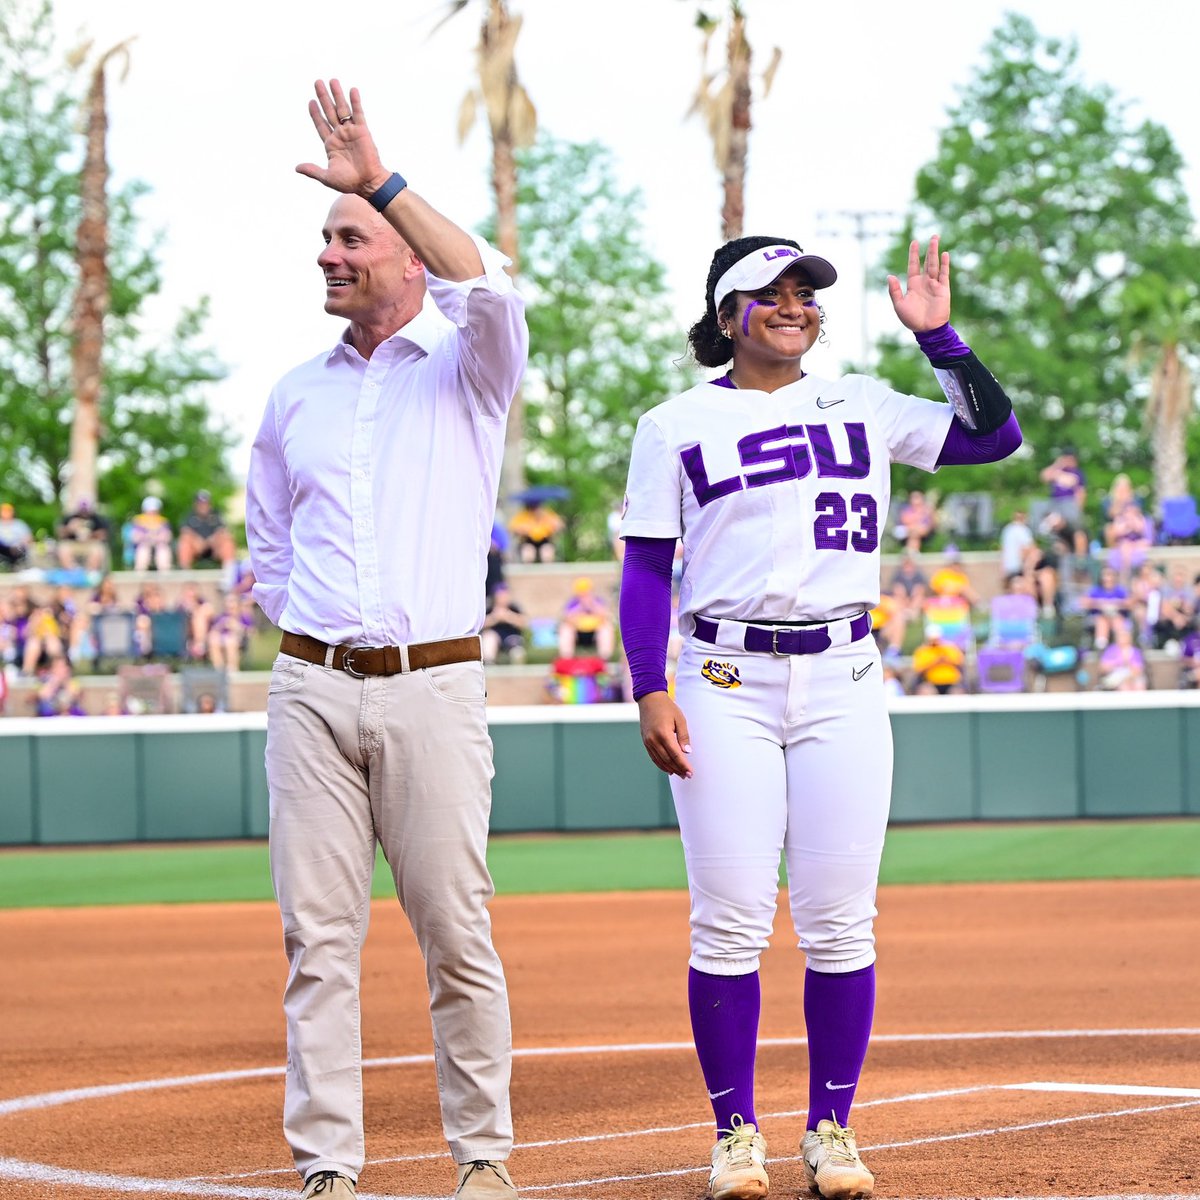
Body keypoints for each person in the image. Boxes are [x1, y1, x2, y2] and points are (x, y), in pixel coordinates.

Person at [618, 233, 1020, 1200]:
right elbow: (645, 564)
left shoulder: (861, 402)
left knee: (841, 925)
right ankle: (735, 1135)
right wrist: (648, 681)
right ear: (726, 316)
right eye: (770, 291)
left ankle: (832, 1128)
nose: (794, 304)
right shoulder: (672, 423)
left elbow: (994, 437)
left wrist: (941, 338)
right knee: (728, 925)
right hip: (722, 678)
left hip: (842, 672)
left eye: (805, 291)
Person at [245, 80, 527, 1200]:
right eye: (324, 238)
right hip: (312, 688)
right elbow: (270, 544)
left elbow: (488, 286)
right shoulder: (291, 396)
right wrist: (307, 637)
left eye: (350, 236)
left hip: (435, 688)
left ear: (406, 256)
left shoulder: (470, 369)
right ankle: (327, 1166)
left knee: (457, 934)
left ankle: (484, 1159)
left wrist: (386, 182)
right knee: (318, 943)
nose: (329, 252)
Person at [557, 576, 616, 660]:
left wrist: (591, 605)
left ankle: (605, 658)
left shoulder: (598, 601)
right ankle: (567, 658)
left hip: (594, 633)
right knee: (565, 629)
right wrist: (581, 607)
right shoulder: (573, 603)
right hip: (578, 633)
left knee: (606, 628)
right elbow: (567, 618)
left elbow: (605, 615)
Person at [177, 490, 237, 571]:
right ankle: (185, 571)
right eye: (200, 504)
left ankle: (229, 571)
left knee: (227, 539)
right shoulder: (190, 516)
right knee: (185, 541)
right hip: (196, 548)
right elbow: (185, 530)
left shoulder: (216, 515)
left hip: (214, 548)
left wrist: (210, 541)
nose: (203, 506)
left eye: (205, 503)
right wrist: (197, 540)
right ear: (196, 504)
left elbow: (223, 529)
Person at [55, 497, 111, 573]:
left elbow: (104, 534)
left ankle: (90, 574)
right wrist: (70, 529)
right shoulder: (71, 518)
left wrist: (90, 534)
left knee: (97, 550)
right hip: (73, 544)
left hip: (91, 543)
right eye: (82, 510)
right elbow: (60, 533)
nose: (84, 513)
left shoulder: (97, 519)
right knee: (63, 549)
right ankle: (72, 573)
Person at [910, 622, 967, 695]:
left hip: (952, 683)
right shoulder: (922, 651)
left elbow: (960, 664)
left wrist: (946, 661)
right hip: (931, 683)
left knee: (958, 694)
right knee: (925, 693)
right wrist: (935, 663)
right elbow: (919, 670)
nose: (934, 641)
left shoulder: (951, 648)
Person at [480, 581, 526, 664]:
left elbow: (524, 623)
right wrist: (494, 618)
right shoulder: (489, 609)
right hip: (495, 638)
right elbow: (481, 625)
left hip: (511, 638)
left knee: (517, 652)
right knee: (489, 640)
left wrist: (509, 617)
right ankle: (489, 664)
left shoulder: (514, 608)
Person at [508, 498, 564, 562]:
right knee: (528, 552)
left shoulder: (547, 514)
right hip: (528, 541)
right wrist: (524, 530)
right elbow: (513, 528)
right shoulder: (523, 516)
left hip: (545, 541)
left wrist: (552, 526)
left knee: (547, 552)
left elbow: (560, 524)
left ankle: (547, 570)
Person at [128, 496, 174, 572]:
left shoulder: (163, 522)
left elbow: (167, 536)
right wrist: (147, 537)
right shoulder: (139, 521)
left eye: (154, 511)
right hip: (143, 546)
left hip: (159, 546)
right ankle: (140, 574)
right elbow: (134, 537)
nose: (152, 514)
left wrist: (158, 538)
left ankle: (165, 574)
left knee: (163, 551)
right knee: (143, 551)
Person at [893, 488, 937, 553]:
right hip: (907, 530)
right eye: (913, 497)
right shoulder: (907, 508)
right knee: (913, 532)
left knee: (915, 533)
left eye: (917, 497)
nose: (915, 500)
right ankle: (912, 552)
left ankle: (911, 552)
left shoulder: (928, 509)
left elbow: (931, 525)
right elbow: (905, 520)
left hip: (922, 532)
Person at [0, 502, 34, 568]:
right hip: (2, 549)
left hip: (18, 548)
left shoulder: (19, 524)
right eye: (4, 511)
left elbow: (29, 538)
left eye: (8, 511)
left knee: (19, 548)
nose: (6, 513)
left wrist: (20, 544)